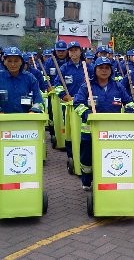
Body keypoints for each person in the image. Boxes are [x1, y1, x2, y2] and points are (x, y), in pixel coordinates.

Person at [73, 57, 134, 190]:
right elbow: (77, 104)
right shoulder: (87, 87)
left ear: (111, 70)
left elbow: (130, 102)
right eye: (101, 68)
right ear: (95, 70)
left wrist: (130, 110)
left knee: (111, 156)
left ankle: (111, 178)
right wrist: (86, 114)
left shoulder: (118, 86)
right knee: (87, 159)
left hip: (113, 133)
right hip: (90, 132)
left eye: (107, 68)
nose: (104, 70)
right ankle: (86, 181)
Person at [54, 41, 94, 172]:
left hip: (87, 106)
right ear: (68, 53)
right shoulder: (64, 68)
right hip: (70, 106)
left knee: (87, 131)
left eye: (76, 50)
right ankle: (72, 156)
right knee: (70, 132)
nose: (73, 53)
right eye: (71, 51)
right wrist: (64, 96)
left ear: (80, 51)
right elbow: (58, 86)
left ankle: (88, 157)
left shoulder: (88, 67)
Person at [0, 47, 44, 114]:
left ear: (21, 62)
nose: (13, 64)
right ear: (4, 62)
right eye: (9, 61)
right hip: (2, 120)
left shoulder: (30, 78)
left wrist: (33, 111)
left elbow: (39, 100)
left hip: (26, 120)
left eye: (16, 61)